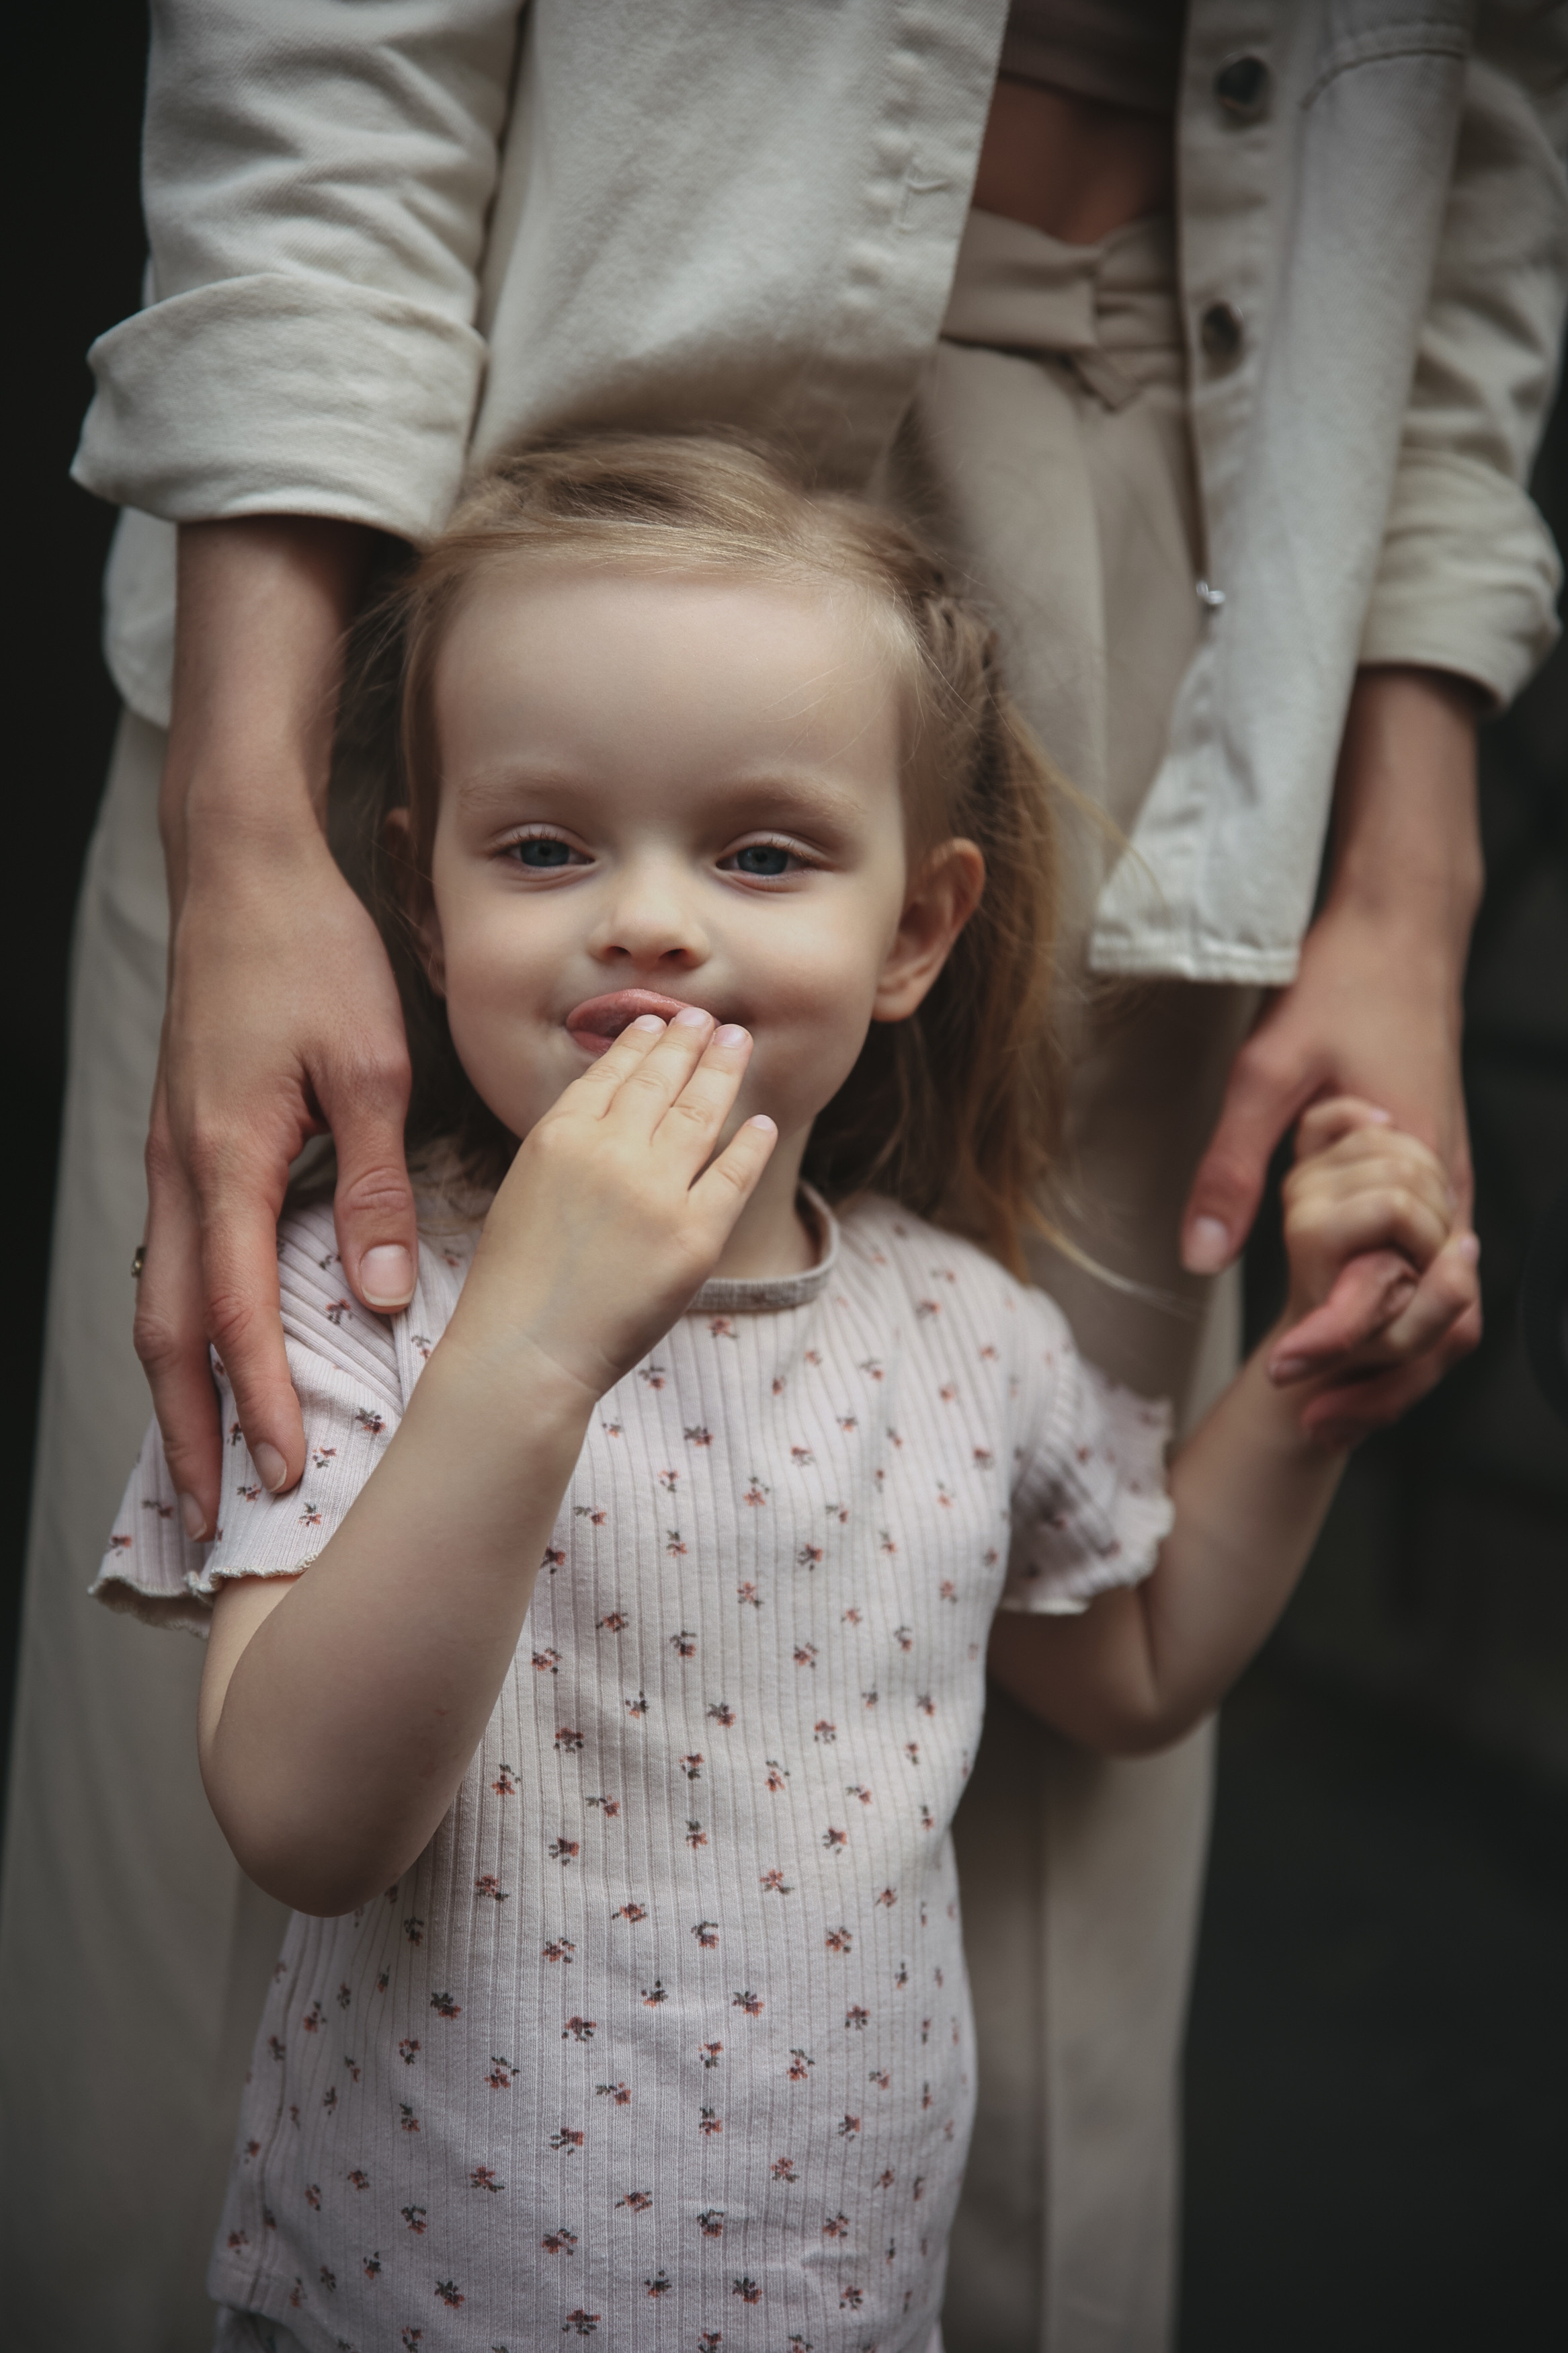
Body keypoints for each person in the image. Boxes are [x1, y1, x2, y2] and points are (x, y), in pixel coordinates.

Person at [3, 7, 1562, 2349]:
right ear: (421, 896)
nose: (647, 919)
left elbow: (1125, 1657)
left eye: (754, 850)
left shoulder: (960, 1333)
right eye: (546, 847)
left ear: (921, 926)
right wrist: (522, 1348)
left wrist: (1307, 1404)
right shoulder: (379, 1292)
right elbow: (302, 1817)